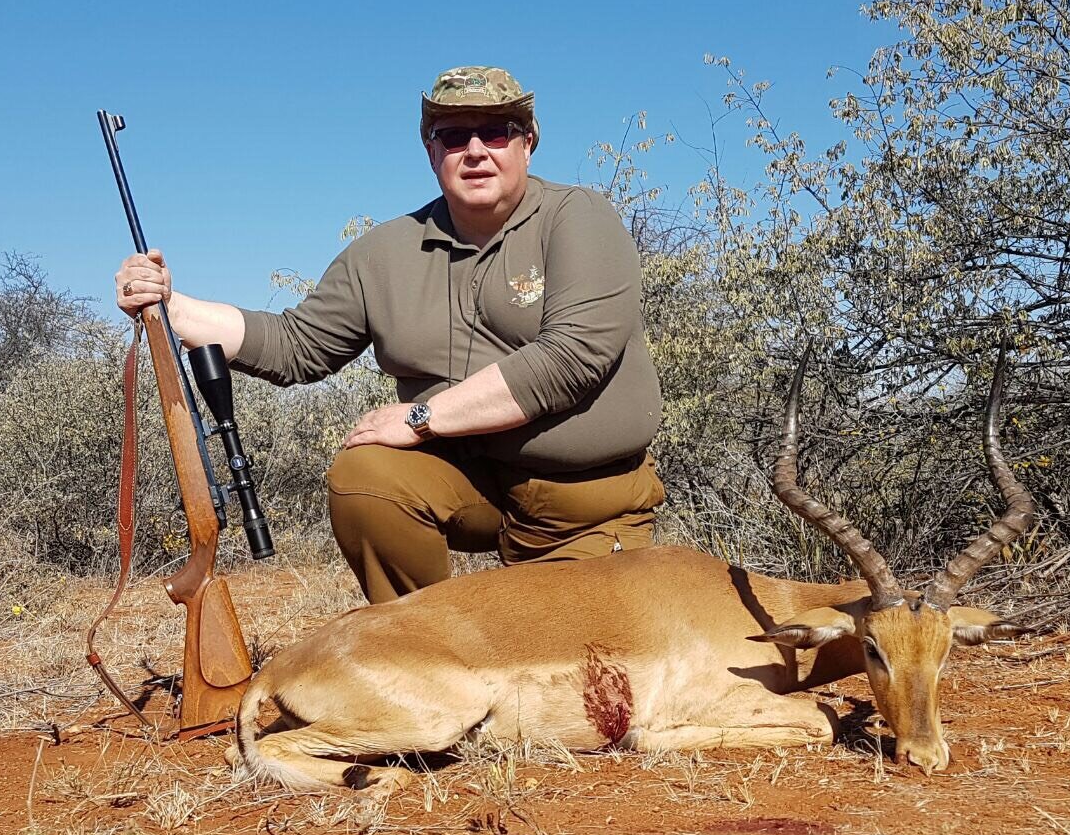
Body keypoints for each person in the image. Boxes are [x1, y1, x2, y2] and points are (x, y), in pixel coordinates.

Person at [115, 66, 664, 604]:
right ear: (431, 152)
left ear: (528, 143)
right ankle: (422, 650)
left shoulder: (579, 216)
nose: (475, 150)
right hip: (468, 479)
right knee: (367, 476)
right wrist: (167, 304)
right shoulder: (383, 252)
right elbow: (296, 345)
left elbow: (572, 359)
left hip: (581, 503)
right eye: (453, 136)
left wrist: (421, 417)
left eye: (495, 131)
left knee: (580, 676)